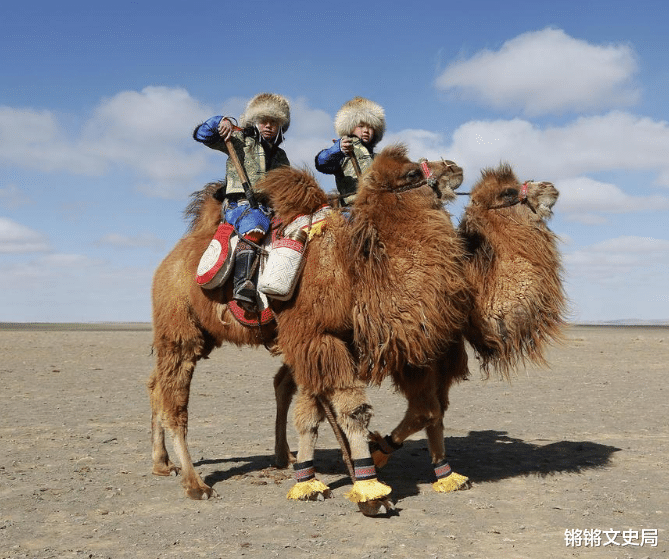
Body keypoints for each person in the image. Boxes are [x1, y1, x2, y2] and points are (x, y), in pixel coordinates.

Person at [193, 93, 290, 310]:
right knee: (254, 222)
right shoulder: (238, 139)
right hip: (240, 206)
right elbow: (201, 135)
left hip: (270, 209)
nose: (269, 126)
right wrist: (220, 122)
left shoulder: (281, 156)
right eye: (264, 120)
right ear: (254, 121)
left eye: (274, 122)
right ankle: (242, 284)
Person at [315, 97, 385, 205]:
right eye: (361, 126)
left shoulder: (379, 157)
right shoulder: (344, 150)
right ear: (350, 127)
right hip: (352, 208)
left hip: (379, 206)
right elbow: (322, 161)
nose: (366, 130)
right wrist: (337, 150)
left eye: (370, 127)